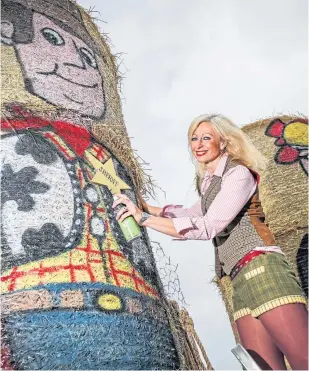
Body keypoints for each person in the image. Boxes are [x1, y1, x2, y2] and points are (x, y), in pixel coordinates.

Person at [113, 113, 308, 370]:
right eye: (194, 138)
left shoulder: (238, 174)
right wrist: (148, 208)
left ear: (224, 142)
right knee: (262, 368)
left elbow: (208, 225)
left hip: (263, 268)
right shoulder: (209, 185)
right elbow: (192, 213)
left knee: (304, 356)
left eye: (207, 137)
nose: (199, 144)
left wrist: (144, 219)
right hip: (238, 280)